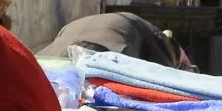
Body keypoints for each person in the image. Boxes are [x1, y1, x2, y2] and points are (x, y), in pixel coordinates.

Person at [40, 10, 192, 69]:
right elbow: (162, 74)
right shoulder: (159, 38)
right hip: (103, 45)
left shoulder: (136, 24)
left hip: (61, 43)